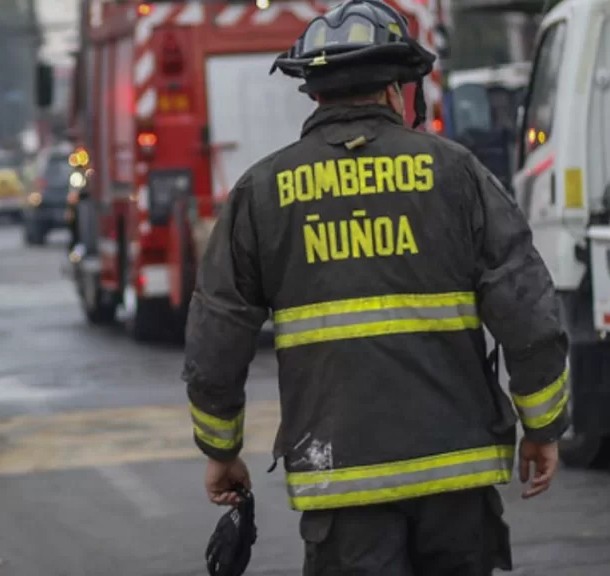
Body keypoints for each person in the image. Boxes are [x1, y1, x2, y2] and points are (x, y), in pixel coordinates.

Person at [183, 1, 570, 574]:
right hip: (456, 481)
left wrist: (221, 451)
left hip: (342, 486)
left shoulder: (262, 193)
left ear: (315, 95)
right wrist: (543, 428)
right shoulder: (457, 173)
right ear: (397, 89)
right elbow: (529, 311)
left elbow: (217, 336)